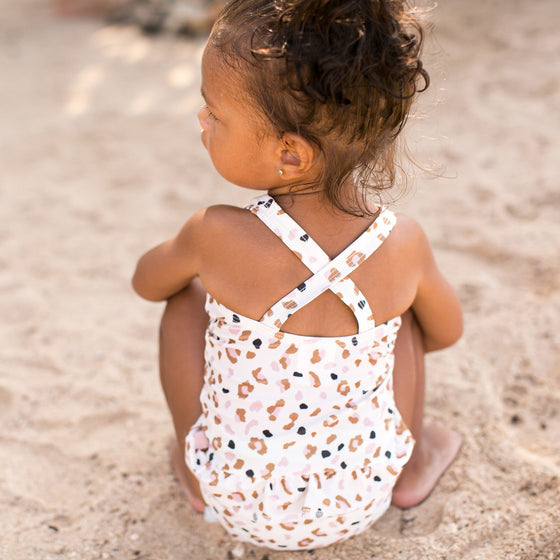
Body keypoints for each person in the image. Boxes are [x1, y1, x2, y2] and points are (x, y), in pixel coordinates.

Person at [132, 0, 463, 550]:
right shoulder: (402, 242)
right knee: (407, 317)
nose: (202, 120)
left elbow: (148, 283)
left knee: (184, 298)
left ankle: (192, 466)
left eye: (214, 113)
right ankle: (411, 466)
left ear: (290, 155)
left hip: (229, 499)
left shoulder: (215, 233)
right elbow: (446, 332)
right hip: (361, 500)